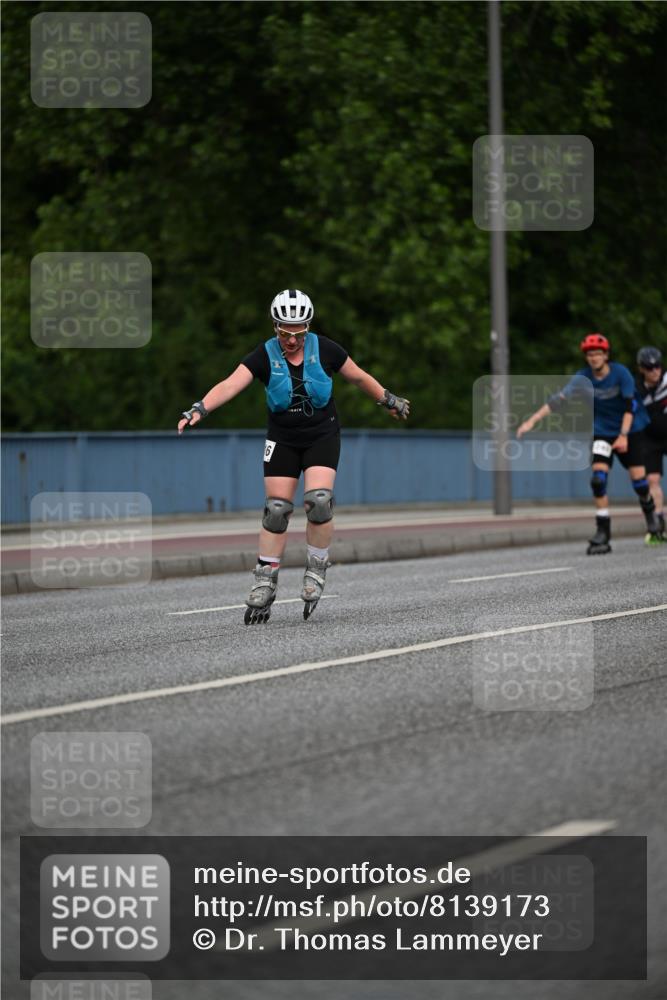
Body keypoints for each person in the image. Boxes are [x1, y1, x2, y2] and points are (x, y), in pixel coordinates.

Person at [178, 289, 410, 622]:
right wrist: (200, 408)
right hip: (283, 439)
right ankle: (265, 581)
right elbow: (230, 384)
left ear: (307, 326)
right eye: (285, 332)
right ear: (275, 327)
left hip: (321, 436)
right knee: (276, 510)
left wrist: (389, 399)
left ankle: (316, 568)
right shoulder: (263, 355)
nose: (291, 339)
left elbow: (358, 376)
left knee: (317, 500)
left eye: (298, 332)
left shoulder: (326, 349)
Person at [516, 333, 661, 554]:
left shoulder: (621, 373)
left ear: (606, 355)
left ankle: (651, 516)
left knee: (640, 484)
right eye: (590, 354)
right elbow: (558, 400)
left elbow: (631, 406)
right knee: (598, 480)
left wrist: (623, 435)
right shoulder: (583, 378)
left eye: (598, 354)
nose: (594, 358)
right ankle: (603, 532)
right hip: (602, 433)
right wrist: (530, 421)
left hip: (629, 431)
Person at [636, 345, 667, 539]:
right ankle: (657, 522)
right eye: (649, 368)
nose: (654, 371)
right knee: (652, 480)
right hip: (650, 439)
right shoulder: (636, 388)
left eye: (657, 367)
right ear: (641, 369)